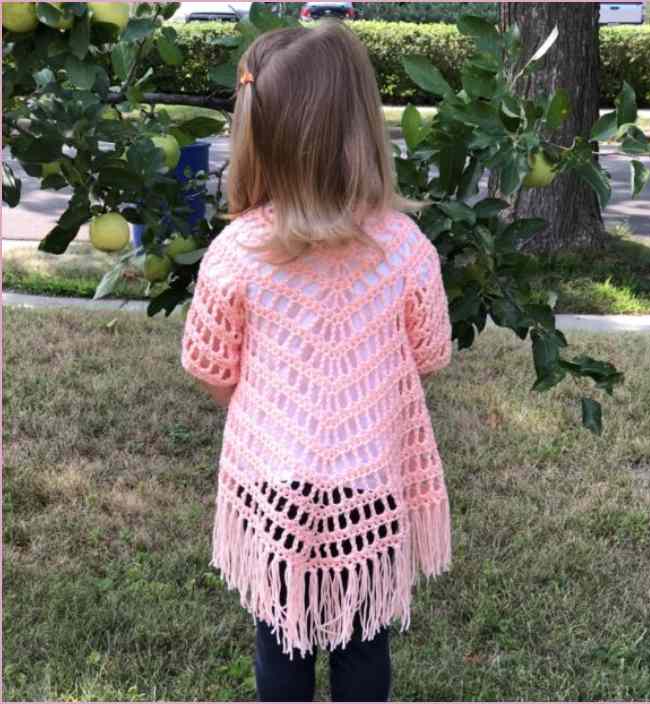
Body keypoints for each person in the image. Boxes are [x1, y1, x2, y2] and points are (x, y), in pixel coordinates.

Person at [179, 20, 452, 701]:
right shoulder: (405, 248)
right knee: (364, 643)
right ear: (360, 125)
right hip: (370, 484)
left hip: (273, 485)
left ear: (256, 135)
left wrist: (278, 417)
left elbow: (213, 368)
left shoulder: (238, 251)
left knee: (280, 637)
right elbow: (429, 354)